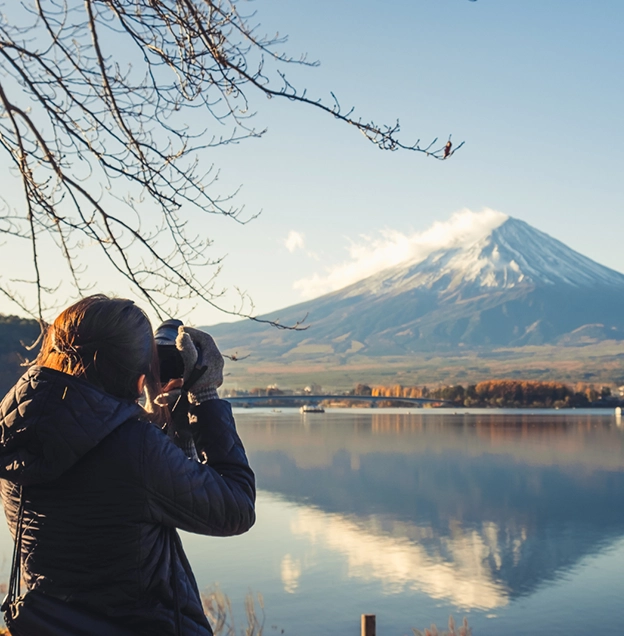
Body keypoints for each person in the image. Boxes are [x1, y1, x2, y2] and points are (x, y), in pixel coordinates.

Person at [0, 295, 255, 635]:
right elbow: (236, 507)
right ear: (139, 380)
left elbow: (97, 493)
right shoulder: (136, 450)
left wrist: (149, 427)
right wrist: (204, 397)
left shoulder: (16, 435)